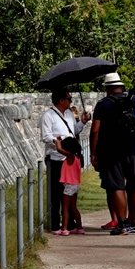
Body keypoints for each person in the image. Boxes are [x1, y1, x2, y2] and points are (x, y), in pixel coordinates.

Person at [90, 73, 135, 234]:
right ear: (121, 85)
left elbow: (95, 131)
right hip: (134, 150)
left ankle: (122, 224)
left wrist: (94, 153)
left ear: (107, 88)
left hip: (112, 152)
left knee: (117, 187)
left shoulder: (103, 104)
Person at [40, 88, 79, 232]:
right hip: (56, 157)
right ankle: (55, 223)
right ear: (61, 100)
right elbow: (45, 136)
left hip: (68, 157)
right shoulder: (48, 116)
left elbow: (73, 131)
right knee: (56, 192)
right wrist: (59, 141)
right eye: (69, 98)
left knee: (70, 192)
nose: (71, 101)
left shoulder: (69, 114)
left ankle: (70, 223)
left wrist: (83, 123)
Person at [57, 136, 84, 233]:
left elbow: (59, 149)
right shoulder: (77, 157)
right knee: (73, 207)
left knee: (65, 208)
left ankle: (64, 228)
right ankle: (80, 227)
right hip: (76, 185)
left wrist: (57, 141)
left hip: (69, 185)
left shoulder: (70, 156)